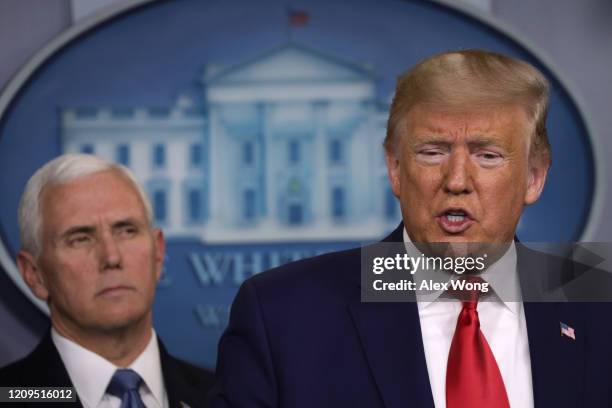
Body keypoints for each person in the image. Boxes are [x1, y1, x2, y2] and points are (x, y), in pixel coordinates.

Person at [209, 50, 612, 407]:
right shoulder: (284, 313)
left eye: (487, 155)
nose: (456, 180)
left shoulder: (598, 298)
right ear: (396, 170)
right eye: (432, 152)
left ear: (534, 177)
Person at [0, 154, 214, 407]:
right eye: (80, 238)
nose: (111, 257)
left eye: (127, 231)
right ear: (34, 274)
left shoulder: (228, 396)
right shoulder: (10, 396)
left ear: (158, 254)